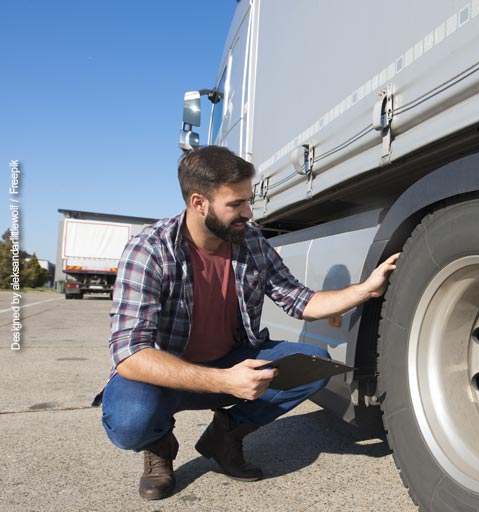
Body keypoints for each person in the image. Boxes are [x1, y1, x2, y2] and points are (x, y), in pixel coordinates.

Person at [96, 145, 400, 500]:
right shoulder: (150, 249)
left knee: (313, 365)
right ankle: (158, 445)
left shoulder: (251, 242)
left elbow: (302, 302)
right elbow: (130, 353)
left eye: (248, 200)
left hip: (232, 358)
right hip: (167, 372)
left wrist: (366, 289)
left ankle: (225, 437)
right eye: (235, 204)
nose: (248, 212)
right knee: (130, 420)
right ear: (199, 203)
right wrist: (225, 380)